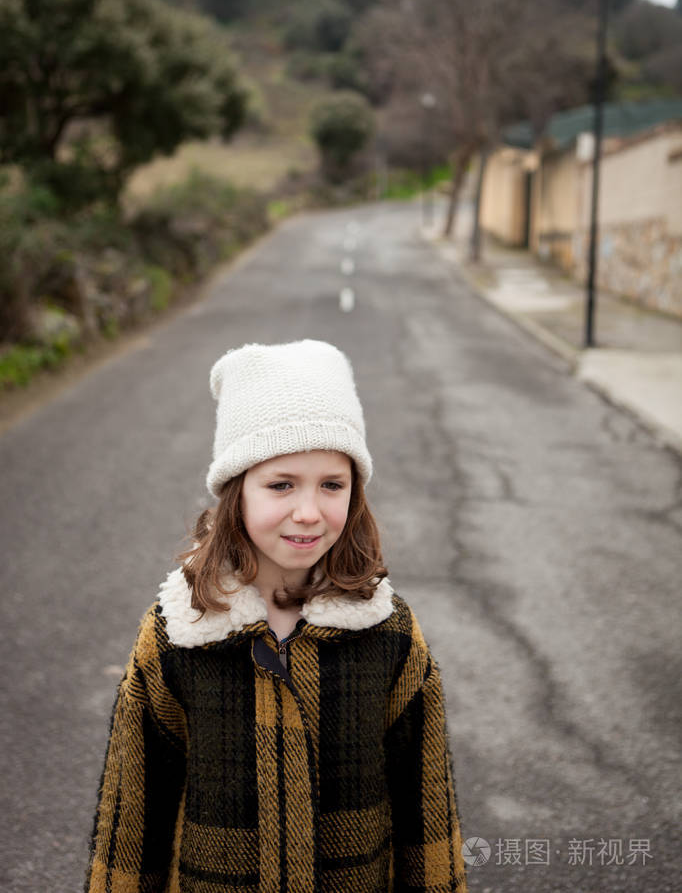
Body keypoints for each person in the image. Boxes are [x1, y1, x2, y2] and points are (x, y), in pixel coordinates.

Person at [85, 339, 468, 892]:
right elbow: (133, 815)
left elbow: (425, 805)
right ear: (236, 493)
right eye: (281, 484)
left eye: (332, 485)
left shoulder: (390, 635)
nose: (309, 512)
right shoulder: (179, 634)